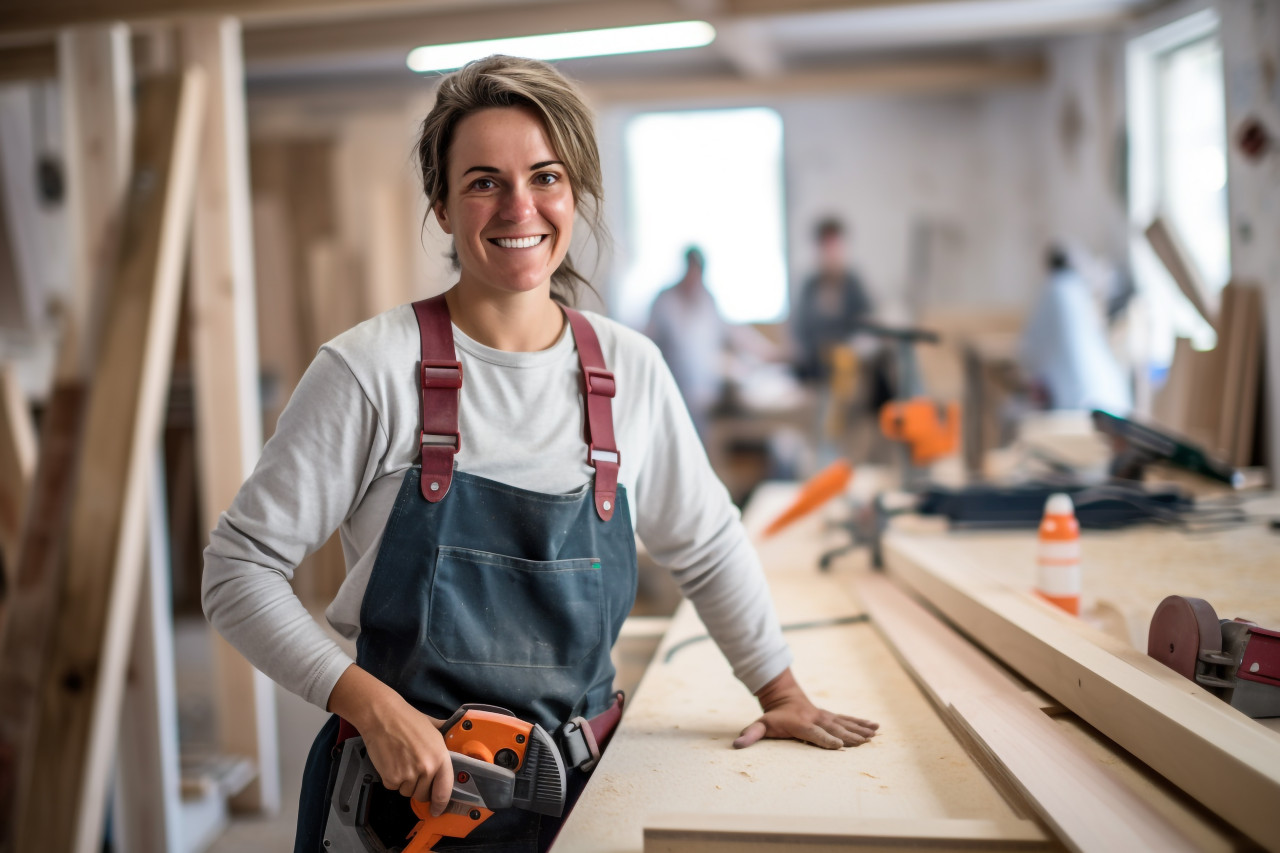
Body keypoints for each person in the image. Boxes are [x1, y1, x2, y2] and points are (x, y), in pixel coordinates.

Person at [202, 55, 878, 853]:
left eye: (545, 176)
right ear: (443, 206)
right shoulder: (370, 370)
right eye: (483, 180)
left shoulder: (629, 370)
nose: (518, 205)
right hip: (411, 806)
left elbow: (706, 542)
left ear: (576, 192)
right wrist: (368, 704)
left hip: (586, 798)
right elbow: (237, 569)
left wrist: (780, 687)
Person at [1020, 245, 1132, 414]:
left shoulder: (1054, 289)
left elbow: (1027, 351)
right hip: (1116, 400)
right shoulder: (1082, 291)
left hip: (1079, 407)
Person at [644, 246, 728, 441]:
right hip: (672, 385)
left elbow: (730, 333)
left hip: (704, 390)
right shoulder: (665, 300)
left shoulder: (708, 299)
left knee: (700, 440)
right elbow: (649, 337)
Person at [791, 217, 874, 382]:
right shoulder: (809, 287)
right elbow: (798, 332)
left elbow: (869, 327)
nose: (830, 254)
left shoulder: (853, 285)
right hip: (813, 366)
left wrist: (850, 351)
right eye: (825, 247)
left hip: (849, 366)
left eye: (834, 247)